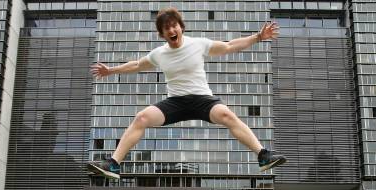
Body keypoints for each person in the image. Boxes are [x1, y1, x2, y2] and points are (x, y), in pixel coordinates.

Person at [88, 8, 286, 179]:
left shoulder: (198, 44)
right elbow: (137, 65)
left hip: (203, 100)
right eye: (167, 28)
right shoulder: (159, 54)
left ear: (181, 27)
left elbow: (229, 46)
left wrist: (258, 37)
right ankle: (113, 163)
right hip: (176, 102)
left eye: (174, 25)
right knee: (141, 118)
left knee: (227, 115)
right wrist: (111, 70)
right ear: (162, 34)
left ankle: (263, 155)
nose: (172, 30)